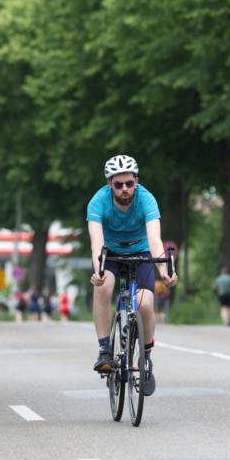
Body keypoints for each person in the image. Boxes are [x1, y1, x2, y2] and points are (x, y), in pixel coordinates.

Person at [87, 154, 177, 395]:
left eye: (129, 183)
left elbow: (155, 240)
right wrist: (98, 273)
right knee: (103, 287)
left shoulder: (147, 200)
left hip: (141, 252)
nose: (125, 189)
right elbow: (96, 244)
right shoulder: (97, 203)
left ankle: (145, 356)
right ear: (110, 184)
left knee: (145, 304)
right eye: (118, 185)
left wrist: (164, 272)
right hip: (111, 254)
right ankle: (105, 350)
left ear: (136, 181)